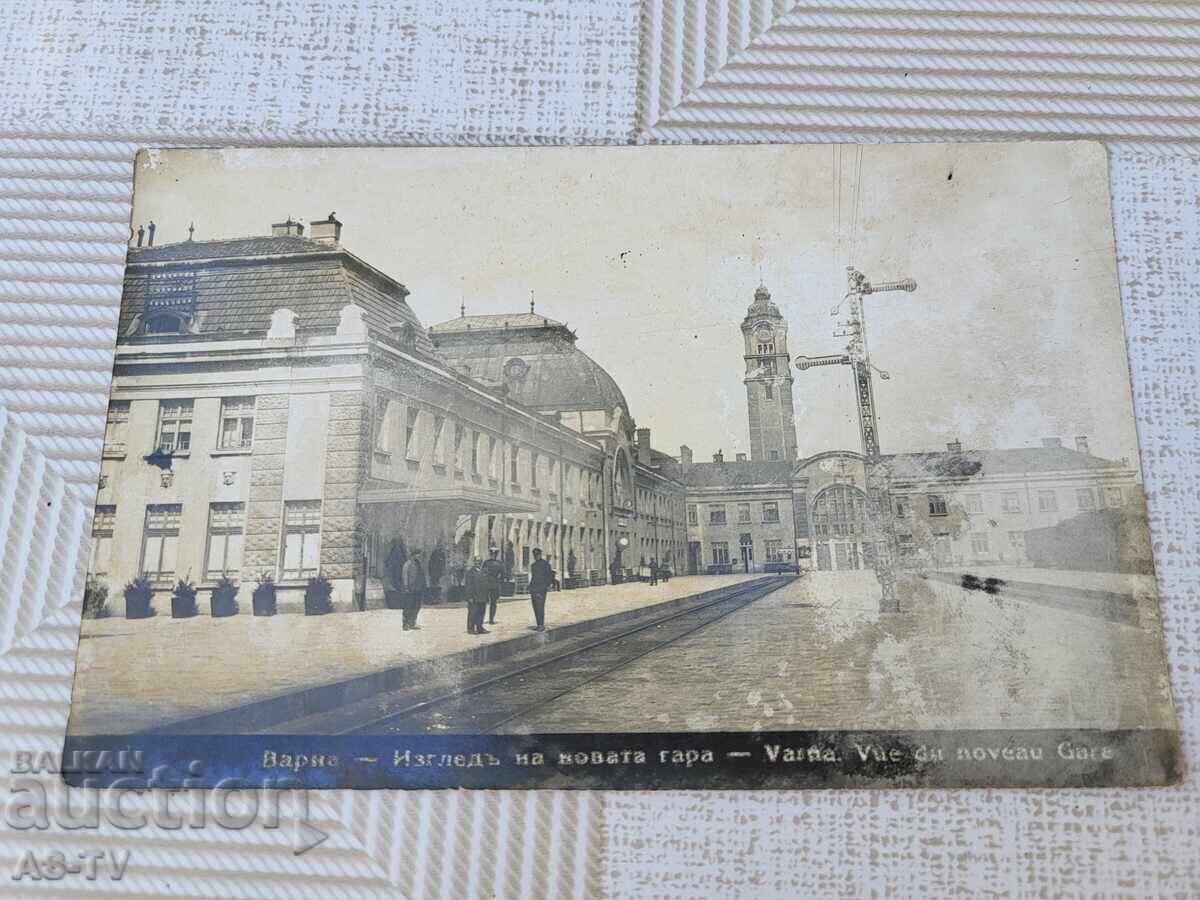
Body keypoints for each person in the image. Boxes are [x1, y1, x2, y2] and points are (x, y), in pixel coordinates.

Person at [528, 548, 554, 632]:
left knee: (540, 607)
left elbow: (550, 577)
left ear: (540, 554)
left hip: (541, 589)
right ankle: (538, 624)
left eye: (537, 555)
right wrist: (530, 587)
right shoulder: (533, 565)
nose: (536, 556)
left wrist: (545, 587)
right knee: (535, 607)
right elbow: (534, 577)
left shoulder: (546, 564)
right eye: (535, 555)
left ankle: (541, 625)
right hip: (534, 589)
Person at [401, 549, 426, 630]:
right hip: (410, 589)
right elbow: (405, 576)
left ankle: (412, 623)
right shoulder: (407, 564)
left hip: (418, 589)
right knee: (408, 607)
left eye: (419, 554)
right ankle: (405, 624)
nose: (418, 556)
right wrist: (406, 586)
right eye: (417, 554)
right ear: (413, 555)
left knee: (416, 607)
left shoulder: (418, 564)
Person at [480, 547, 504, 625]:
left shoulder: (486, 563)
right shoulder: (499, 563)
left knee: (485, 602)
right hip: (494, 585)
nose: (493, 555)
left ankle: (487, 619)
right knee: (492, 603)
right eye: (493, 554)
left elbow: (482, 573)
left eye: (494, 554)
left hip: (487, 584)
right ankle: (491, 619)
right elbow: (503, 575)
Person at [465, 557, 488, 635]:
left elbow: (485, 584)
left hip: (482, 596)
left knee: (481, 612)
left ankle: (479, 627)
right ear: (474, 562)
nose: (478, 563)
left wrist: (486, 596)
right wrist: (469, 597)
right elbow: (468, 585)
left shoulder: (483, 571)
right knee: (473, 613)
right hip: (474, 596)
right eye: (477, 561)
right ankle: (470, 628)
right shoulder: (470, 572)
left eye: (480, 561)